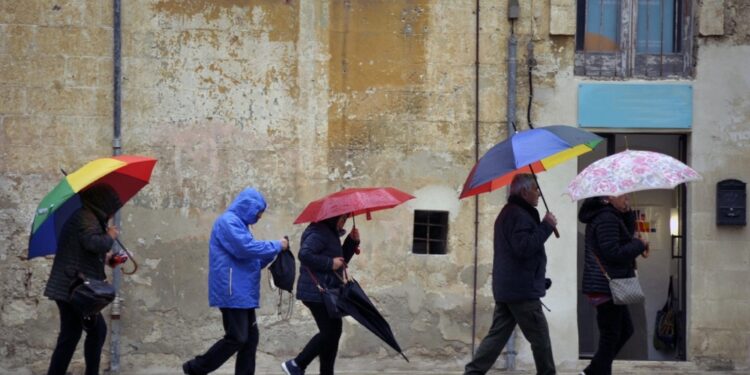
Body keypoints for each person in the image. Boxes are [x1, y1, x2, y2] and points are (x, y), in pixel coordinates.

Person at [183, 188, 288, 375]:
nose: (259, 217)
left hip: (242, 291)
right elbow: (244, 249)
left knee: (250, 339)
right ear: (248, 207)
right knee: (237, 338)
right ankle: (195, 368)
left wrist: (273, 254)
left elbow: (250, 260)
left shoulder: (240, 226)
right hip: (231, 290)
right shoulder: (227, 222)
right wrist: (276, 245)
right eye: (258, 212)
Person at [464, 173, 558, 375]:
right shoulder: (518, 215)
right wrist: (547, 226)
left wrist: (539, 279)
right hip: (521, 291)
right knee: (541, 339)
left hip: (510, 288)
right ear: (524, 191)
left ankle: (473, 372)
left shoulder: (511, 213)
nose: (539, 194)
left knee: (497, 337)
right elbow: (523, 248)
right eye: (535, 189)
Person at [44, 184, 121, 375]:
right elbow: (93, 242)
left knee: (74, 336)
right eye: (112, 208)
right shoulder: (85, 218)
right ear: (102, 204)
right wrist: (109, 237)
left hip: (75, 288)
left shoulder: (90, 218)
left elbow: (83, 251)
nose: (113, 213)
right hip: (73, 289)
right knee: (89, 333)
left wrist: (108, 259)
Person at [281, 213, 360, 375]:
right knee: (329, 332)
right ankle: (296, 364)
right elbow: (304, 254)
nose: (344, 222)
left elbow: (339, 260)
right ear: (333, 217)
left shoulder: (329, 233)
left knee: (334, 332)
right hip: (316, 291)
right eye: (342, 219)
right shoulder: (319, 231)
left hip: (325, 290)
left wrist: (352, 242)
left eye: (346, 219)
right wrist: (330, 263)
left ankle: (326, 371)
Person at [578, 195, 649, 375]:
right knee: (611, 335)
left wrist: (628, 213)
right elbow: (613, 252)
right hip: (606, 284)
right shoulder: (606, 217)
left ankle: (595, 370)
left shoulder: (611, 215)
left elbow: (621, 238)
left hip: (608, 284)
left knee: (623, 330)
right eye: (623, 195)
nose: (627, 198)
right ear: (609, 197)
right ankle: (595, 371)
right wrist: (639, 245)